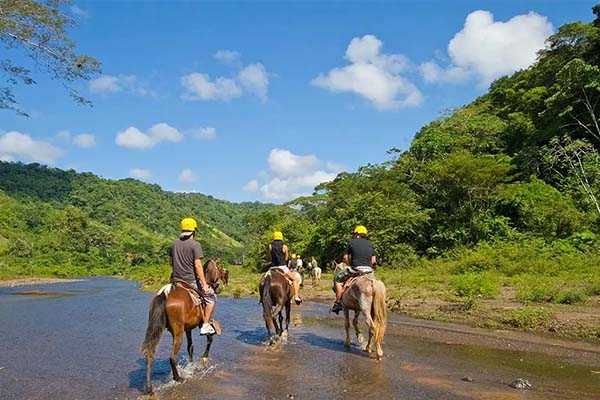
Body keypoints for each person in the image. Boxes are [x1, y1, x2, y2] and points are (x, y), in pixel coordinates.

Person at [169, 217, 216, 335]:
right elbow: (198, 266)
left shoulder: (174, 244)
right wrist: (204, 285)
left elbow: (171, 262)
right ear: (193, 231)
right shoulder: (195, 245)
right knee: (211, 298)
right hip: (190, 281)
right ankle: (205, 324)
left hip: (175, 281)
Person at [331, 225, 376, 314]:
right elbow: (374, 261)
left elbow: (345, 258)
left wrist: (349, 264)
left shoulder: (352, 242)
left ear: (357, 234)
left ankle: (338, 302)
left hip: (355, 269)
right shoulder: (371, 244)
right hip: (369, 270)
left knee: (338, 280)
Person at [268, 231, 303, 305]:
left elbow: (270, 257)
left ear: (273, 238)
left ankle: (262, 298)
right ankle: (296, 296)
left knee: (264, 279)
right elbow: (286, 258)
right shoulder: (285, 247)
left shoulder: (270, 246)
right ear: (281, 238)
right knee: (294, 279)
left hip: (273, 268)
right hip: (282, 267)